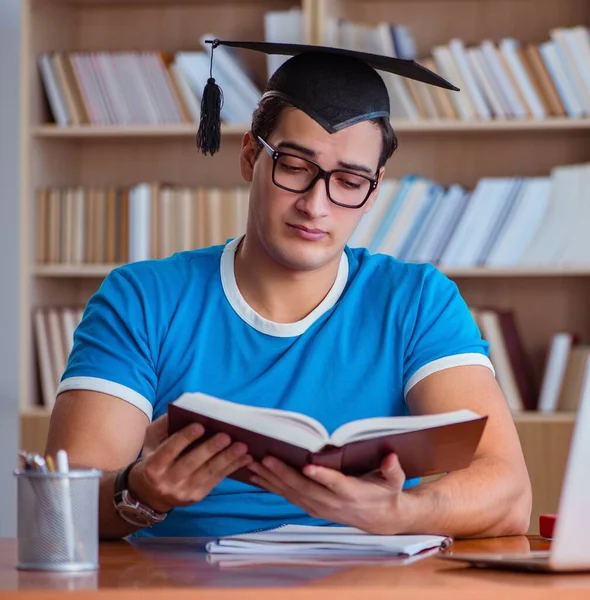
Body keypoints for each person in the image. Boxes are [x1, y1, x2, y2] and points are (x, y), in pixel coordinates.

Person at [45, 41, 532, 540]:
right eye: (296, 167)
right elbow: (61, 513)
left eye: (349, 181)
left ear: (375, 190)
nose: (316, 205)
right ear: (251, 155)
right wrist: (139, 492)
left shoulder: (417, 301)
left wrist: (400, 514)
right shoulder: (141, 299)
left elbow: (509, 494)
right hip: (176, 582)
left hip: (370, 585)